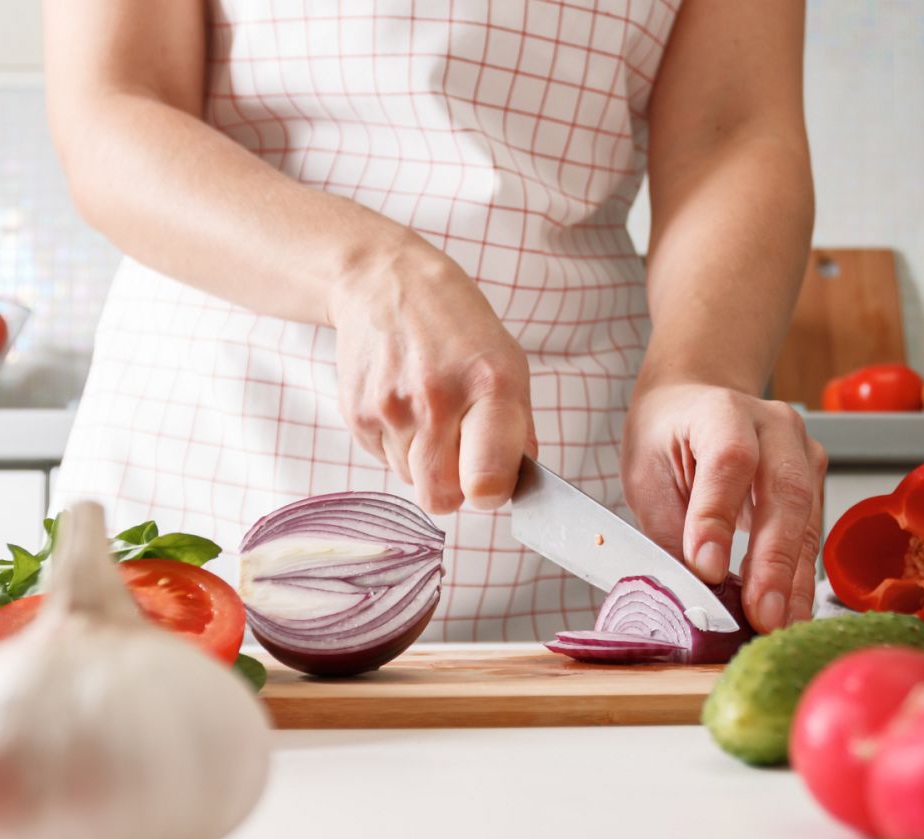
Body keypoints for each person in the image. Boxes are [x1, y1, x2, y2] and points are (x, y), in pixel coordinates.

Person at [46, 0, 824, 640]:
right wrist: (367, 268)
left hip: (576, 486)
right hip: (213, 450)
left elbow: (733, 133)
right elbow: (113, 107)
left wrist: (698, 371)